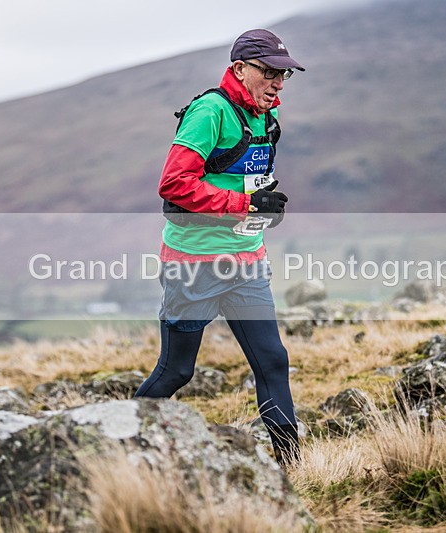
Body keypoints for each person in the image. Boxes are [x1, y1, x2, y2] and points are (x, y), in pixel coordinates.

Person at [133, 29, 304, 467]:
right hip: (193, 265)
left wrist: (263, 209)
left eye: (283, 74)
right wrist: (245, 203)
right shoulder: (210, 112)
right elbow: (173, 184)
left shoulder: (266, 118)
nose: (278, 83)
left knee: (272, 360)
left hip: (247, 261)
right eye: (268, 72)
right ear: (240, 69)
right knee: (177, 371)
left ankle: (291, 473)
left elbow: (241, 181)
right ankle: (120, 447)